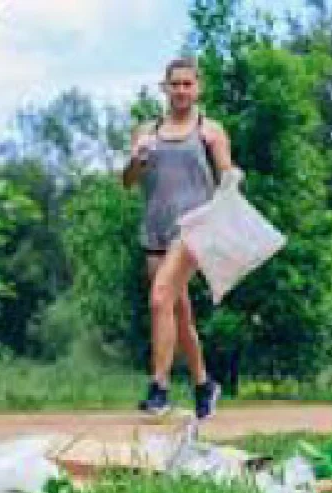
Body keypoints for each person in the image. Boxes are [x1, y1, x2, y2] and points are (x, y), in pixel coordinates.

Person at [122, 57, 232, 419]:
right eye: (175, 84)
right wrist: (137, 160)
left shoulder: (209, 131)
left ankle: (159, 388)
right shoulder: (146, 132)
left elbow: (228, 180)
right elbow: (128, 182)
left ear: (198, 88)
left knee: (158, 301)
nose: (181, 91)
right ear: (164, 88)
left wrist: (235, 177)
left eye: (188, 84)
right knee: (177, 312)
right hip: (155, 229)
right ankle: (204, 384)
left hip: (194, 229)